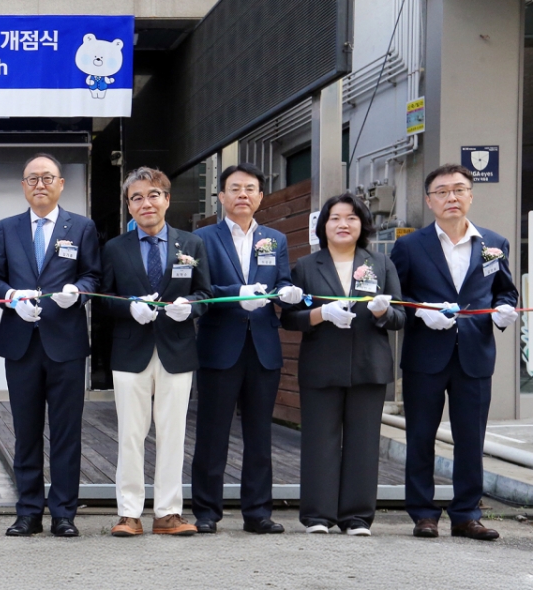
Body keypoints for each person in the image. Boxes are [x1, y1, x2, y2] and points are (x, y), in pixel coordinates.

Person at [392, 163, 519, 540]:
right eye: (443, 191)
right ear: (429, 201)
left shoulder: (493, 243)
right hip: (425, 355)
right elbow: (397, 297)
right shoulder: (410, 246)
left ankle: (466, 514)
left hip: (474, 355)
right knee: (420, 436)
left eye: (459, 190)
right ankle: (423, 513)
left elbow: (505, 291)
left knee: (470, 439)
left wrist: (504, 311)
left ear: (470, 196)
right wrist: (422, 312)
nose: (452, 197)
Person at [0, 153, 101, 537]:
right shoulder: (8, 228)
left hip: (65, 343)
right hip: (21, 343)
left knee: (66, 431)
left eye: (47, 177)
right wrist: (11, 297)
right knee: (26, 430)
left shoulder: (81, 227)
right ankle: (28, 512)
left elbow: (93, 275)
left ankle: (64, 513)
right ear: (23, 186)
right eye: (32, 178)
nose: (40, 184)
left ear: (61, 184)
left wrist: (77, 292)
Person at [190, 163, 305, 535]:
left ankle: (258, 513)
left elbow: (282, 283)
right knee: (212, 433)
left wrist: (287, 294)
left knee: (259, 435)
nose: (243, 194)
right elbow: (200, 288)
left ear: (260, 196)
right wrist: (236, 294)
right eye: (235, 188)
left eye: (250, 188)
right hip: (219, 345)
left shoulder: (275, 238)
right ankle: (207, 512)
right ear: (221, 196)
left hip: (262, 346)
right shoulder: (202, 238)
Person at [282, 193, 404, 536]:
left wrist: (382, 312)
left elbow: (400, 317)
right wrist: (321, 314)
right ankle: (318, 515)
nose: (343, 224)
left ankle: (357, 517)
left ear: (363, 224)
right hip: (321, 365)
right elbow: (289, 318)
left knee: (363, 443)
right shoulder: (307, 266)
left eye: (351, 217)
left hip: (369, 364)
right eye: (335, 218)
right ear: (323, 226)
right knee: (319, 441)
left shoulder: (381, 264)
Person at [101, 167, 211, 537]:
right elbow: (103, 298)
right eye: (136, 197)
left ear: (166, 199)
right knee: (130, 434)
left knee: (172, 433)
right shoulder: (114, 248)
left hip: (176, 350)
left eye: (153, 195)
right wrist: (128, 307)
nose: (145, 203)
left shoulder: (191, 245)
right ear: (129, 206)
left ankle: (167, 513)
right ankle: (129, 513)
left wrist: (190, 307)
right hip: (130, 350)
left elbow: (205, 293)